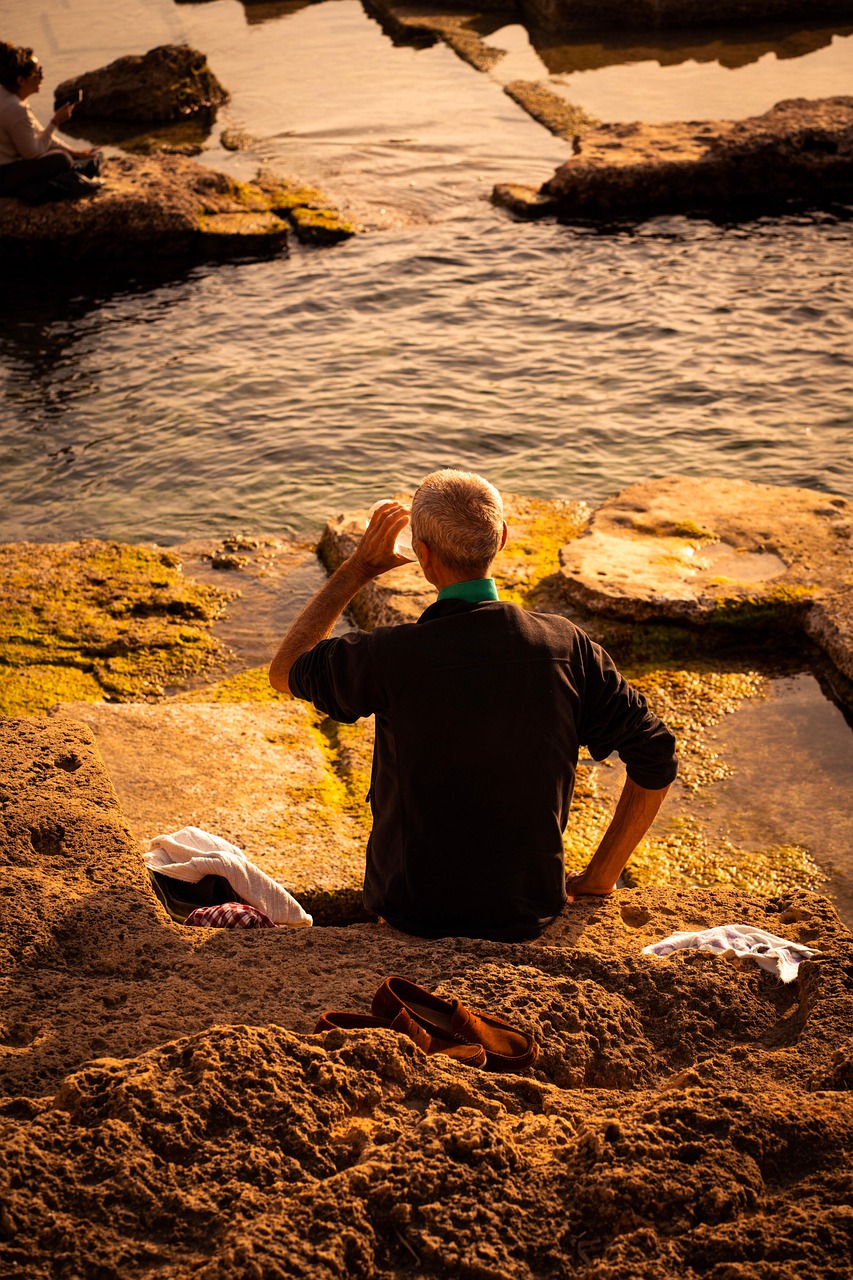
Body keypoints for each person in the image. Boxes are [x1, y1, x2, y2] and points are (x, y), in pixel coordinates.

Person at [270, 469, 678, 942]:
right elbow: (656, 753)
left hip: (413, 917)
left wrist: (358, 567)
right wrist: (600, 877)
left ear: (422, 555)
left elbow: (285, 670)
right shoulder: (566, 646)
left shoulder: (388, 655)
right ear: (502, 539)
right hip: (532, 912)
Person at [0, 42, 101, 201]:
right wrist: (55, 122)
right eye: (37, 72)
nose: (42, 77)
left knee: (65, 155)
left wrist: (75, 152)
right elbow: (32, 153)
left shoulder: (6, 96)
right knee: (61, 159)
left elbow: (39, 134)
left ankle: (74, 166)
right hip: (3, 176)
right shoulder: (15, 109)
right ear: (21, 80)